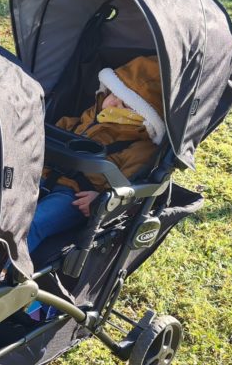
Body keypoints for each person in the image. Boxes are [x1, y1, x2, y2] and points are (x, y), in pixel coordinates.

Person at [28, 56, 166, 251]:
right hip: (40, 175)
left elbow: (130, 188)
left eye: (126, 105)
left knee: (34, 223)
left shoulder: (140, 149)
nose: (113, 104)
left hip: (77, 197)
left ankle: (3, 270)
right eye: (113, 95)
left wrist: (102, 199)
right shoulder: (82, 119)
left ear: (146, 117)